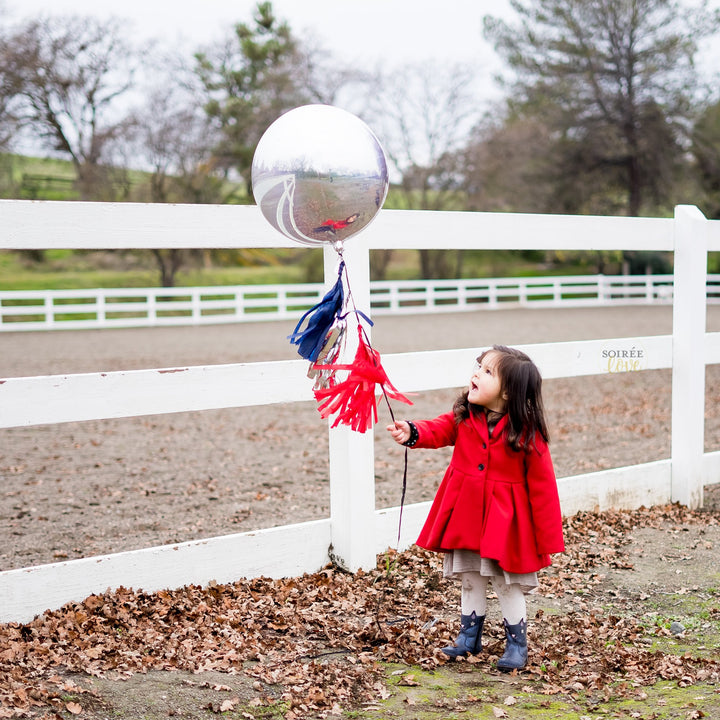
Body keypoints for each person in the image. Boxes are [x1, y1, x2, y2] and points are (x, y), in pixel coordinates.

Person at [386, 345, 564, 671]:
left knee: (506, 583)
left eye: (486, 372)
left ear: (508, 391)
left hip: (506, 526)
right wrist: (412, 431)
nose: (475, 375)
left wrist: (547, 538)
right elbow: (438, 428)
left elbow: (543, 489)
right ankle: (469, 639)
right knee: (470, 577)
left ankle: (517, 644)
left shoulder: (526, 434)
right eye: (478, 367)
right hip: (466, 517)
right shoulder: (465, 417)